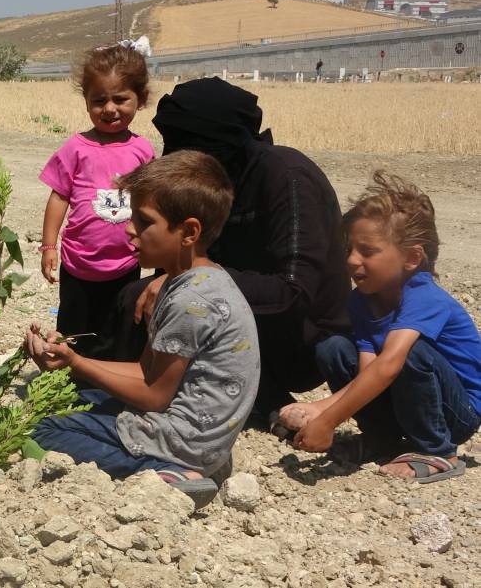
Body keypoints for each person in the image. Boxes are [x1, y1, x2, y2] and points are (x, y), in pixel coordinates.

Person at [24, 151, 260, 508]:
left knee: (40, 429)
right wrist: (72, 358)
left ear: (189, 232)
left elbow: (154, 397)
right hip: (199, 433)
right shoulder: (189, 282)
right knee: (67, 401)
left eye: (144, 221)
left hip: (184, 439)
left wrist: (76, 362)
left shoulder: (189, 301)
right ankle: (189, 461)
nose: (129, 228)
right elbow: (146, 372)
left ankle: (165, 470)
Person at [111, 77, 350, 420]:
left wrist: (193, 285)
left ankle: (258, 400)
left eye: (183, 145)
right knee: (137, 295)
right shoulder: (216, 180)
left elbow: (293, 292)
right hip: (236, 319)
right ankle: (126, 394)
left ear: (217, 143)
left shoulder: (286, 175)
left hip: (303, 338)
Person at [278, 173, 481, 481]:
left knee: (409, 352)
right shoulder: (361, 301)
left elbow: (388, 366)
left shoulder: (423, 296)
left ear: (412, 257)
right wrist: (318, 409)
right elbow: (368, 371)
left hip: (456, 413)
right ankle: (382, 438)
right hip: (405, 398)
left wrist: (330, 421)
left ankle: (438, 450)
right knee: (333, 349)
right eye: (349, 249)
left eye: (367, 251)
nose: (351, 260)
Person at [38, 38, 156, 359]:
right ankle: (68, 383)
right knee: (74, 330)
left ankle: (106, 383)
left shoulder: (143, 150)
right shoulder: (75, 148)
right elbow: (59, 196)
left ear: (140, 99)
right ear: (86, 102)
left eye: (121, 99)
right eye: (98, 100)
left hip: (125, 262)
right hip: (79, 264)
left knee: (117, 328)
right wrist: (49, 246)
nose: (109, 109)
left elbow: (150, 202)